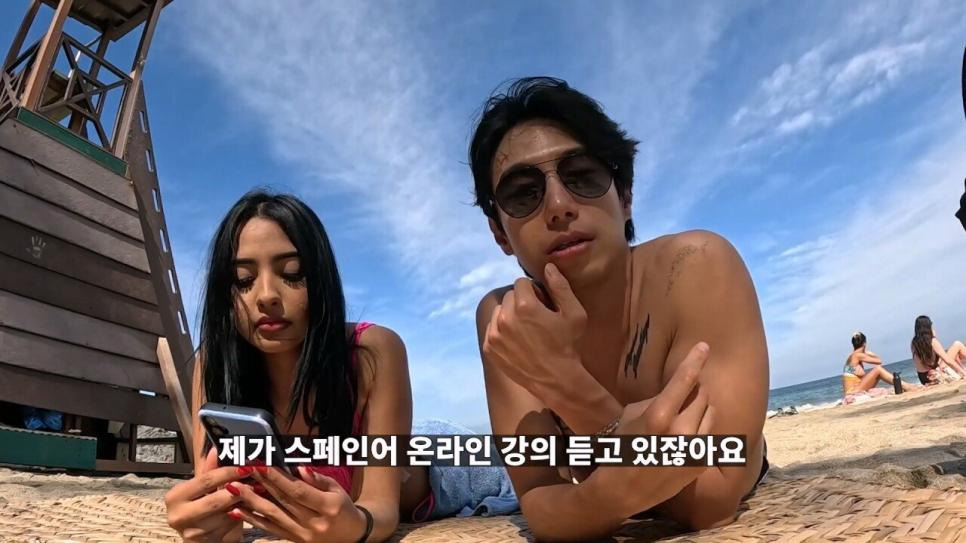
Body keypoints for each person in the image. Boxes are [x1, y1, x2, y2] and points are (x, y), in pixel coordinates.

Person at [468, 77, 769, 540]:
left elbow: (711, 499)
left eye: (582, 176)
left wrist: (568, 388)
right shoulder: (506, 320)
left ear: (624, 197)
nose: (559, 206)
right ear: (499, 233)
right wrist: (615, 486)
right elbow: (540, 503)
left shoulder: (694, 268)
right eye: (523, 193)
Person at [164, 191, 424, 543]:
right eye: (243, 280)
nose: (266, 295)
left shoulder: (372, 351)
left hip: (433, 472)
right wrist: (208, 519)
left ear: (322, 279)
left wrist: (357, 525)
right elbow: (211, 490)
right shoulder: (214, 366)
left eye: (293, 273)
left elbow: (382, 507)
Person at [841, 332, 914, 396]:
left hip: (853, 391)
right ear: (864, 343)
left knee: (877, 371)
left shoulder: (852, 356)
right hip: (853, 392)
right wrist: (868, 352)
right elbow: (879, 361)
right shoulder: (858, 355)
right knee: (878, 369)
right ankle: (907, 386)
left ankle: (904, 385)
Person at [912, 315, 966, 385]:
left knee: (953, 355)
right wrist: (964, 373)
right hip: (934, 376)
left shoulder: (913, 343)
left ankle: (962, 369)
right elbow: (948, 361)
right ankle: (963, 370)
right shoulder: (932, 341)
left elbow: (928, 360)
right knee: (957, 344)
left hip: (923, 379)